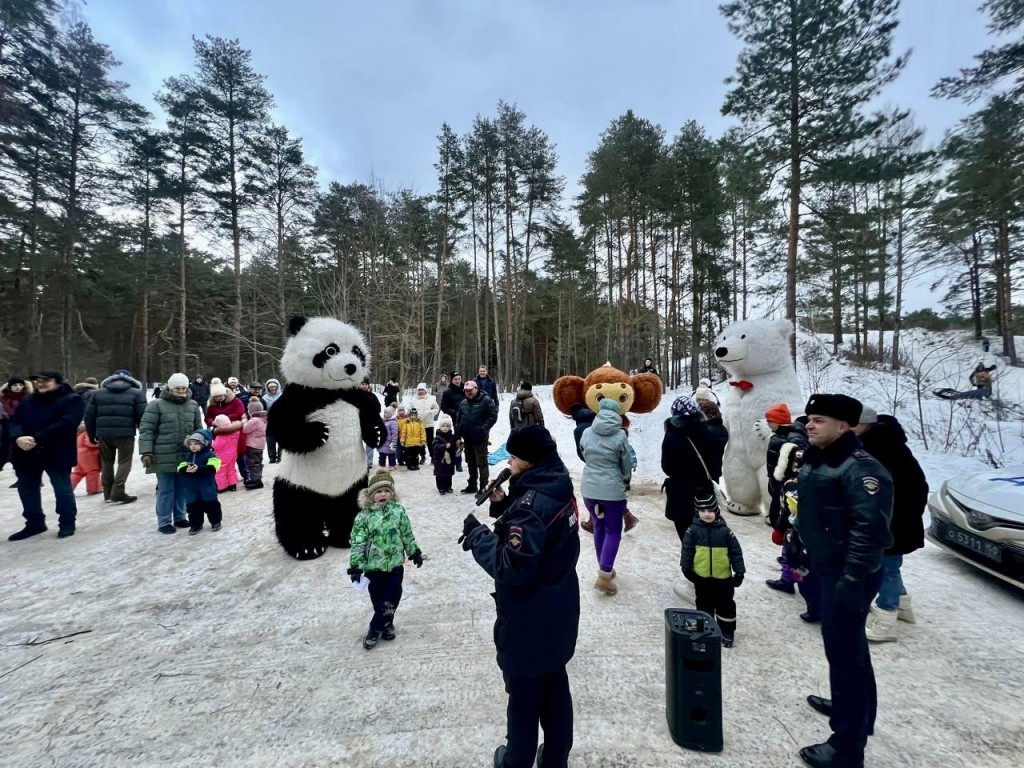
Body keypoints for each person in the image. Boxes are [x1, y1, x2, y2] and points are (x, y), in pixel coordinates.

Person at [461, 425, 580, 768]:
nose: (508, 462)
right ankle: (556, 759)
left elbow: (511, 566)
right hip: (560, 610)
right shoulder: (556, 485)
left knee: (525, 699)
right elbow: (541, 535)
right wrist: (505, 504)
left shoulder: (531, 509)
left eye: (513, 457)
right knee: (555, 686)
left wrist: (478, 535)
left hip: (529, 619)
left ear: (529, 461)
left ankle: (516, 760)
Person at [796, 394, 893, 768]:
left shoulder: (861, 470)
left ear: (844, 426)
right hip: (827, 564)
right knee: (847, 650)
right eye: (810, 418)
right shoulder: (820, 457)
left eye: (820, 419)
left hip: (847, 571)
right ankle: (859, 714)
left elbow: (869, 532)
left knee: (845, 653)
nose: (810, 424)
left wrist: (852, 579)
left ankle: (846, 745)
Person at [852, 407, 927, 642]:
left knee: (886, 567)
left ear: (864, 425)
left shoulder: (880, 450)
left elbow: (905, 488)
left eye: (851, 424)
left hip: (893, 521)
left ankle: (886, 618)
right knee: (891, 564)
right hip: (895, 518)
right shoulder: (881, 443)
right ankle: (903, 606)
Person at [347, 470, 424, 650]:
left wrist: (414, 552)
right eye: (379, 492)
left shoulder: (398, 511)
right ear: (371, 495)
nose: (383, 495)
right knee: (379, 600)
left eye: (387, 491)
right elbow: (358, 542)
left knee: (392, 598)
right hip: (373, 567)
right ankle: (387, 624)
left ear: (392, 493)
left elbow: (406, 534)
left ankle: (375, 629)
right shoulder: (363, 517)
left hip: (395, 565)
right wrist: (356, 567)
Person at [8, 372, 84, 540]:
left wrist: (38, 437)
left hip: (57, 451)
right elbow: (14, 421)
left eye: (46, 381)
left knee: (62, 488)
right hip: (26, 452)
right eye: (38, 381)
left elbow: (67, 423)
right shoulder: (27, 400)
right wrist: (17, 437)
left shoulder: (72, 399)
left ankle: (67, 522)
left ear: (57, 382)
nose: (40, 384)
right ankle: (34, 523)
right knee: (26, 488)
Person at [139, 373, 204, 534]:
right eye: (177, 388)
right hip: (162, 454)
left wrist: (201, 444)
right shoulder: (156, 405)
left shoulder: (193, 405)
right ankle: (164, 521)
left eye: (183, 388)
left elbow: (198, 429)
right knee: (166, 489)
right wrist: (146, 451)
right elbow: (147, 430)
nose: (181, 391)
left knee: (182, 488)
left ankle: (180, 516)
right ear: (170, 387)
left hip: (185, 454)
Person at [680, 490, 746, 648]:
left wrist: (739, 572)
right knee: (703, 604)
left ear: (716, 511)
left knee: (725, 606)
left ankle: (727, 631)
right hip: (701, 577)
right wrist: (686, 567)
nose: (706, 514)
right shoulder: (693, 531)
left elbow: (736, 553)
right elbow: (687, 550)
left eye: (710, 510)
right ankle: (704, 629)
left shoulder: (725, 532)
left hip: (723, 578)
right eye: (702, 511)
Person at [579, 399, 632, 595]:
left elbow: (585, 455)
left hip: (589, 490)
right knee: (613, 531)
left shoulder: (586, 432)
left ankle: (605, 566)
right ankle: (604, 575)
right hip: (612, 491)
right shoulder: (620, 436)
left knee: (598, 525)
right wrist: (625, 479)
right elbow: (626, 464)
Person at [661, 396, 728, 545]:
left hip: (680, 493)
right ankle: (704, 564)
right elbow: (714, 464)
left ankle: (691, 565)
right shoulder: (708, 432)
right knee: (705, 534)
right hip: (704, 491)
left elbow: (667, 467)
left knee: (686, 536)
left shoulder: (672, 436)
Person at [763, 403, 810, 594]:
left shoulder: (787, 443)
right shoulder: (794, 436)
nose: (767, 424)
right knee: (790, 539)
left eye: (769, 420)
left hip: (790, 494)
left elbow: (778, 470)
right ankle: (792, 572)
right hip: (789, 492)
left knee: (790, 537)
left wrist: (779, 487)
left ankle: (790, 579)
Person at [85, 368, 146, 504]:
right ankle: (118, 491)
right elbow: (142, 416)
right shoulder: (136, 393)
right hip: (126, 433)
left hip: (103, 434)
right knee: (124, 462)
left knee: (107, 462)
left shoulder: (98, 393)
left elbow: (89, 416)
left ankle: (107, 493)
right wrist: (144, 433)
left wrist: (91, 434)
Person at [177, 429, 223, 535]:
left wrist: (199, 468)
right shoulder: (187, 456)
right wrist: (185, 469)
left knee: (211, 505)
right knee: (193, 507)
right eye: (191, 444)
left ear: (204, 444)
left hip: (207, 486)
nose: (193, 446)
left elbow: (214, 467)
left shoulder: (210, 455)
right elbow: (180, 467)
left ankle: (215, 521)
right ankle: (195, 525)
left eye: (196, 444)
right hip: (191, 488)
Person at [456, 379, 498, 494]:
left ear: (476, 389)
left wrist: (483, 429)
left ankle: (484, 487)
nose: (468, 392)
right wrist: (458, 436)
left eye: (470, 390)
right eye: (466, 391)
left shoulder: (486, 400)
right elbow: (459, 420)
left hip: (480, 438)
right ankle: (472, 485)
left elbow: (493, 416)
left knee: (482, 463)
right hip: (467, 438)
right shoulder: (463, 403)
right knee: (471, 462)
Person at [207, 382, 247, 484]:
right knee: (223, 458)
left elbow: (239, 412)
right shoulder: (211, 406)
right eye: (216, 397)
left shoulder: (236, 401)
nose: (218, 398)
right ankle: (224, 480)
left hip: (235, 431)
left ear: (224, 394)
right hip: (220, 434)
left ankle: (246, 474)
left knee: (240, 455)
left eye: (220, 396)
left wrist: (224, 420)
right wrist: (213, 422)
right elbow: (207, 417)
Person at [1, 377, 33, 479]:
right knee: (7, 451)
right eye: (15, 385)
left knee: (23, 452)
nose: (18, 387)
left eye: (20, 385)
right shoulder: (3, 398)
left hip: (23, 426)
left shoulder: (28, 397)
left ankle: (26, 477)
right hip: (5, 426)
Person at [440, 372, 465, 472]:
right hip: (456, 419)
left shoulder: (466, 389)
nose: (458, 381)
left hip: (468, 419)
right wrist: (454, 412)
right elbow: (444, 407)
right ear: (452, 380)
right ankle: (458, 462)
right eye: (455, 379)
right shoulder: (448, 392)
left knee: (469, 440)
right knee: (457, 441)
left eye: (459, 379)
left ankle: (470, 459)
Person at [243, 399, 267, 490]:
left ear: (251, 411)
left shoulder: (254, 420)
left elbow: (245, 429)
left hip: (252, 445)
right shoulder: (263, 418)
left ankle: (255, 481)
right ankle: (258, 479)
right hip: (260, 445)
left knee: (252, 464)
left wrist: (244, 420)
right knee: (258, 463)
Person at [71, 424, 101, 495]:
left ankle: (68, 487)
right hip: (88, 455)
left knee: (78, 473)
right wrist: (99, 444)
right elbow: (90, 443)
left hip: (79, 455)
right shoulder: (87, 433)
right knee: (92, 471)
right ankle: (93, 489)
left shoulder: (78, 435)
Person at [212, 415, 240, 492]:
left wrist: (211, 442)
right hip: (233, 455)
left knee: (220, 471)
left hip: (222, 456)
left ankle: (222, 487)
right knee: (231, 469)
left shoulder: (221, 436)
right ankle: (232, 485)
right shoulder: (235, 432)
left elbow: (216, 446)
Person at [410, 382, 440, 453]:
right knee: (420, 441)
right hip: (418, 424)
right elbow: (409, 409)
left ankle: (433, 456)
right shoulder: (413, 399)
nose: (420, 391)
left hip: (429, 424)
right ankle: (422, 456)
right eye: (419, 390)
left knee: (430, 441)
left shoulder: (431, 398)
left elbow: (436, 408)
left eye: (422, 390)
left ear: (425, 390)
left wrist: (431, 412)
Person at [432, 415, 458, 494]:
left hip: (449, 460)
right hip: (440, 460)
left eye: (447, 426)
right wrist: (444, 446)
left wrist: (457, 447)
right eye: (443, 426)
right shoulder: (437, 437)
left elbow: (454, 447)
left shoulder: (452, 437)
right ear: (440, 427)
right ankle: (441, 487)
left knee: (448, 474)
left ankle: (448, 486)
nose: (445, 428)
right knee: (440, 475)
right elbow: (435, 446)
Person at [261, 378, 283, 463]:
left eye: (275, 387)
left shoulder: (282, 396)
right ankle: (272, 457)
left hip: (281, 421)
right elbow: (262, 409)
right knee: (270, 441)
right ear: (267, 388)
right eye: (271, 387)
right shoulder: (264, 397)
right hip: (269, 422)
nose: (273, 388)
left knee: (281, 440)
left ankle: (280, 456)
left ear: (278, 387)